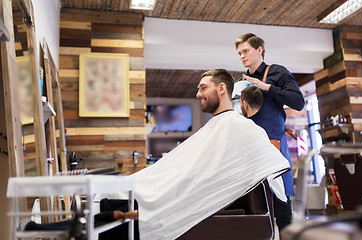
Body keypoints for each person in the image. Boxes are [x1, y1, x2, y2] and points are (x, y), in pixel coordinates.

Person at [26, 69, 290, 240]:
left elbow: (268, 162)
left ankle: (56, 228)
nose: (197, 93)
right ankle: (56, 228)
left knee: (128, 201)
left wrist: (285, 223)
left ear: (222, 89)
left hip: (181, 194)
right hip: (171, 185)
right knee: (122, 198)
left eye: (202, 88)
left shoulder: (238, 125)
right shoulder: (218, 126)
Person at [234, 33, 305, 231]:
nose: (242, 56)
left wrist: (267, 88)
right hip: (249, 150)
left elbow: (299, 102)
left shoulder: (278, 73)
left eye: (246, 51)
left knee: (281, 206)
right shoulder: (242, 82)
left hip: (273, 146)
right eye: (239, 53)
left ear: (259, 50)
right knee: (253, 206)